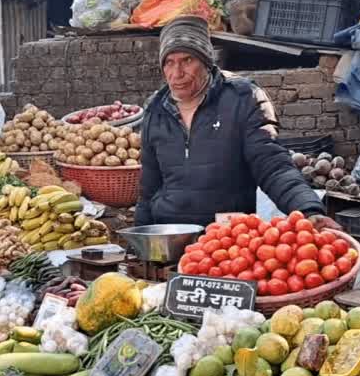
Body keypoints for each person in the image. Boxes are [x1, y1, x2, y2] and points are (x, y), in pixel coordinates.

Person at [135, 16, 336, 230]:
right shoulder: (156, 110)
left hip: (229, 239)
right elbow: (148, 189)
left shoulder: (242, 98)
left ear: (206, 62)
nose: (177, 73)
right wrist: (139, 237)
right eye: (169, 62)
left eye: (187, 60)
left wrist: (308, 209)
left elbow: (273, 165)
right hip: (169, 235)